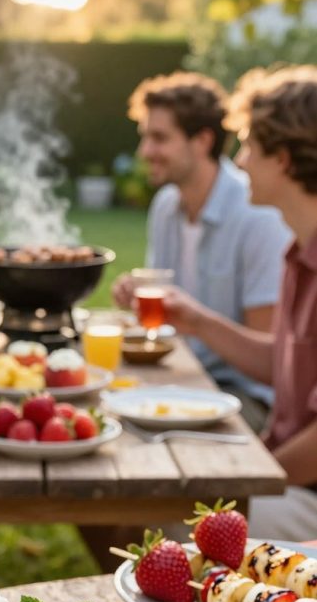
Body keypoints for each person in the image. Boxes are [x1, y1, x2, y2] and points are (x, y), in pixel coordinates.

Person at [161, 65, 317, 539]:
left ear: (284, 159)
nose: (241, 162)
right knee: (154, 493)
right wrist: (200, 321)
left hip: (307, 497)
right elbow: (285, 366)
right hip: (287, 477)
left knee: (164, 520)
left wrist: (247, 476)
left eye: (249, 147)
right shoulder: (297, 253)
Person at [113, 71, 291, 432]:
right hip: (181, 379)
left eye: (159, 138)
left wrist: (196, 321)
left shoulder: (257, 216)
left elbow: (269, 360)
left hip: (242, 397)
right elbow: (162, 315)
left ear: (202, 141)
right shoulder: (166, 206)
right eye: (145, 137)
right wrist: (139, 297)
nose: (145, 151)